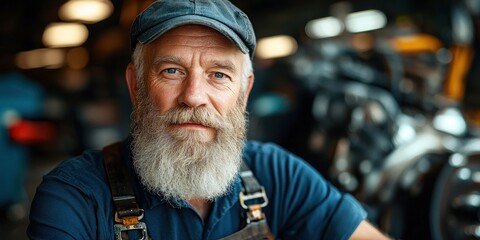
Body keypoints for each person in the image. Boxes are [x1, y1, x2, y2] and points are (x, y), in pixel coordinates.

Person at [27, 0, 389, 239]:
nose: (194, 95)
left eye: (219, 75)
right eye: (171, 70)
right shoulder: (75, 197)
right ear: (135, 86)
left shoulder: (276, 174)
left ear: (244, 91)